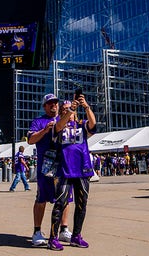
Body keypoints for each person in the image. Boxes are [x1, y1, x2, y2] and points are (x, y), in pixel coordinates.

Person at [47, 97, 96, 250]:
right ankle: (53, 237)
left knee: (82, 204)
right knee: (60, 203)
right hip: (64, 170)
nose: (69, 110)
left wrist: (86, 107)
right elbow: (60, 125)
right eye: (65, 109)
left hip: (82, 169)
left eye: (71, 109)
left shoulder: (82, 125)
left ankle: (76, 235)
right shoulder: (58, 126)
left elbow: (93, 125)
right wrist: (70, 111)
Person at [27, 93, 72, 246]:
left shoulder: (64, 119)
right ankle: (37, 231)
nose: (54, 105)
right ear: (44, 106)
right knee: (41, 199)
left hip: (63, 165)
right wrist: (45, 130)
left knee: (65, 198)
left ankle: (63, 229)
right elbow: (30, 140)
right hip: (45, 166)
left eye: (55, 103)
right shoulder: (38, 121)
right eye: (50, 103)